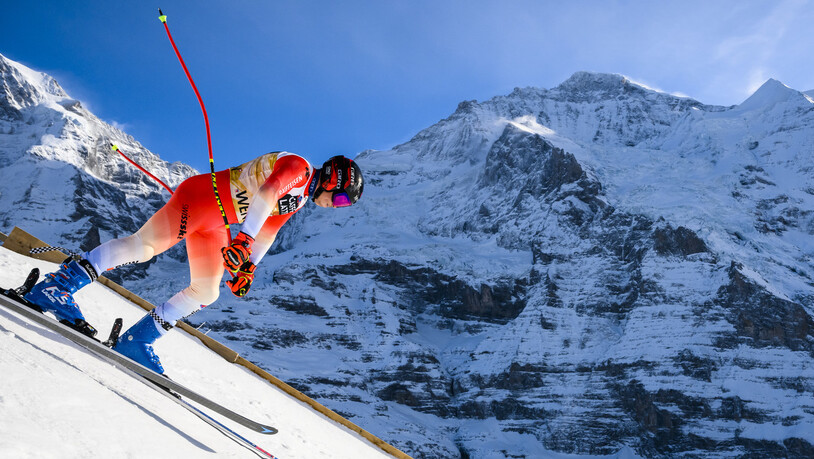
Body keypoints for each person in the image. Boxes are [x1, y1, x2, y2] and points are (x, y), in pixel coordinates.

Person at [24, 152, 364, 374]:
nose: (340, 205)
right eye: (344, 198)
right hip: (201, 199)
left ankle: (137, 342)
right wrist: (243, 240)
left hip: (216, 222)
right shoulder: (300, 168)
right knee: (143, 247)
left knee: (207, 290)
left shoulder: (300, 199)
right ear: (335, 179)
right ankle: (58, 287)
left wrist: (249, 267)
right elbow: (266, 193)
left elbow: (269, 228)